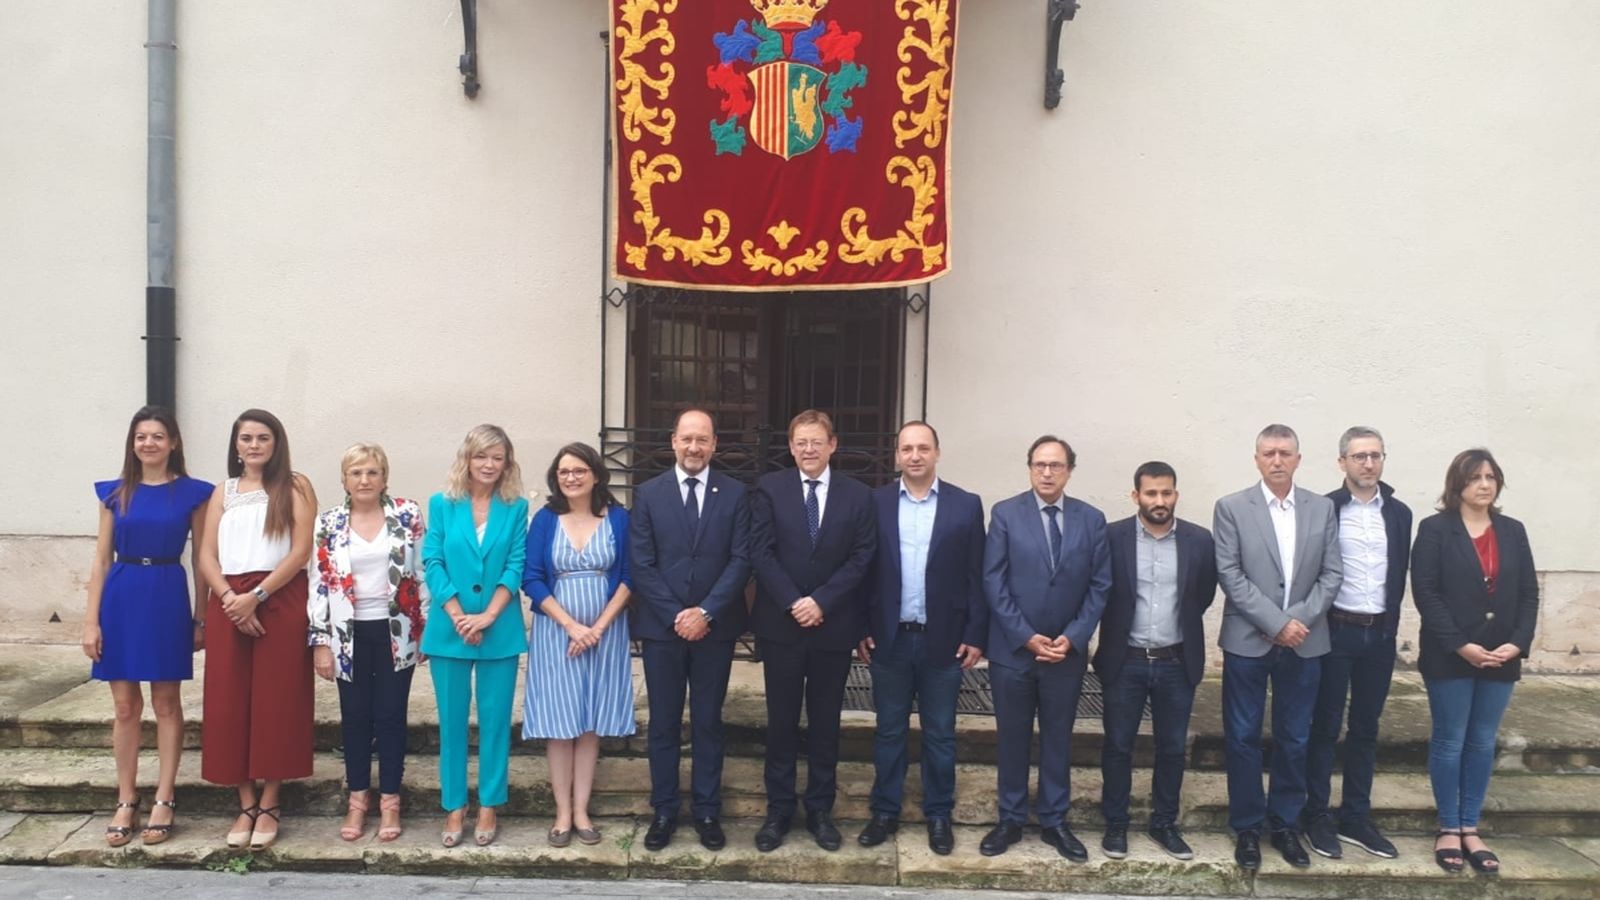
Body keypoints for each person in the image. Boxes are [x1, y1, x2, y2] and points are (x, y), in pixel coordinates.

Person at [1212, 424, 1342, 871]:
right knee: (1244, 737)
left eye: (1285, 453)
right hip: (1249, 640)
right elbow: (1229, 573)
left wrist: (1296, 623)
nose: (1277, 460)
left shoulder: (1322, 508)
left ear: (1299, 459)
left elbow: (1332, 574)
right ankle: (1247, 826)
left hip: (1304, 642)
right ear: (1256, 459)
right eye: (1268, 453)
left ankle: (1285, 823)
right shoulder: (1231, 508)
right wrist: (1274, 622)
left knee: (1295, 737)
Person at [82, 406, 212, 847]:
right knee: (124, 706)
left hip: (165, 592)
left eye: (158, 436)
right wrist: (90, 621)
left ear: (173, 443)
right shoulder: (114, 493)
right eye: (141, 436)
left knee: (167, 702)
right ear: (132, 443)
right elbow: (100, 561)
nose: (149, 444)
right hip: (121, 594)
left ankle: (165, 795)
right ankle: (125, 798)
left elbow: (201, 560)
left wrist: (202, 616)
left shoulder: (193, 493)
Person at [854, 421, 986, 856]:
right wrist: (861, 628)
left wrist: (975, 634)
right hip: (889, 639)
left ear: (937, 453)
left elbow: (976, 575)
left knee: (940, 734)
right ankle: (885, 810)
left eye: (923, 448)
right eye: (906, 448)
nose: (914, 455)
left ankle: (938, 813)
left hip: (943, 640)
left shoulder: (965, 506)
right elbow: (864, 570)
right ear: (896, 456)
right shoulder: (874, 503)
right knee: (889, 730)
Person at [749, 409, 876, 853]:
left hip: (832, 627)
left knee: (826, 724)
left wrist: (821, 601)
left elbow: (862, 558)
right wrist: (794, 602)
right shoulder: (770, 489)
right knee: (781, 723)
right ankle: (779, 810)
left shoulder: (859, 496)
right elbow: (760, 552)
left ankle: (820, 810)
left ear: (832, 445)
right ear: (791, 446)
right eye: (800, 442)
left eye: (816, 442)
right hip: (782, 627)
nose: (808, 450)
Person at [978, 435, 1110, 862]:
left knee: (1058, 739)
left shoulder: (1092, 520)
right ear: (1030, 468)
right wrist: (1025, 635)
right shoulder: (1005, 514)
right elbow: (993, 582)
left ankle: (1054, 821)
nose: (1047, 473)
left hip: (1064, 654)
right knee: (1012, 738)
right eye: (1039, 465)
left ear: (1070, 469)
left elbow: (1099, 586)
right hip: (1014, 652)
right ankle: (1010, 819)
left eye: (1055, 465)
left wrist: (1072, 637)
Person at [1411, 449, 1538, 876]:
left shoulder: (1513, 530)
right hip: (1451, 654)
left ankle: (1470, 827)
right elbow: (1426, 592)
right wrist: (1460, 644)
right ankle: (1448, 828)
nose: (1484, 484)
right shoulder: (1434, 530)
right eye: (1475, 477)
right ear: (1457, 484)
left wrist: (1518, 643)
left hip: (1501, 655)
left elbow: (1528, 594)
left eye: (1491, 476)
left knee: (1483, 741)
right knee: (1450, 740)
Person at [197, 409, 317, 851]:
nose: (253, 445)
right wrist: (230, 599)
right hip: (229, 598)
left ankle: (270, 800)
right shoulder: (222, 492)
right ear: (236, 445)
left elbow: (301, 550)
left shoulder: (296, 485)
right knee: (230, 700)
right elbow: (207, 554)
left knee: (277, 699)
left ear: (276, 442)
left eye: (262, 438)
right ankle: (244, 801)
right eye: (246, 438)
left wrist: (258, 597)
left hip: (279, 596)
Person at [630, 410, 750, 853]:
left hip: (714, 630)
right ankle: (664, 809)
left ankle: (706, 810)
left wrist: (706, 612)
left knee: (708, 722)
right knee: (662, 723)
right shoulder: (648, 494)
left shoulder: (736, 494)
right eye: (687, 439)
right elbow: (640, 562)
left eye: (702, 440)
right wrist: (677, 614)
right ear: (673, 441)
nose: (694, 447)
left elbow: (742, 559)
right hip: (663, 631)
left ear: (715, 444)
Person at [1092, 461, 1217, 861]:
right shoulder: (1112, 537)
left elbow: (1203, 595)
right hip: (1124, 659)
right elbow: (1101, 591)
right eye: (1151, 493)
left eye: (1166, 493)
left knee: (1171, 748)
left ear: (1176, 495)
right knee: (1117, 746)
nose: (1159, 501)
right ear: (1136, 496)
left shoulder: (1199, 540)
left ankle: (1164, 823)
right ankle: (1116, 824)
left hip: (1176, 661)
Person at [1303, 427, 1412, 860]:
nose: (1368, 464)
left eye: (1375, 456)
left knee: (1367, 727)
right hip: (1335, 631)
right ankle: (1316, 816)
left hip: (1379, 634)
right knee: (1325, 726)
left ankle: (1356, 817)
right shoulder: (1325, 509)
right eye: (1359, 456)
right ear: (1342, 462)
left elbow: (1401, 569)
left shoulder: (1400, 513)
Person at [309, 443, 427, 843]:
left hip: (397, 631)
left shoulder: (407, 515)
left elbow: (422, 572)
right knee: (356, 718)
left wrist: (425, 626)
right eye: (356, 473)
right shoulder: (328, 522)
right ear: (344, 480)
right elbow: (320, 584)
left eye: (372, 472)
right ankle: (358, 799)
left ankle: (391, 799)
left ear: (384, 478)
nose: (364, 480)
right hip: (348, 635)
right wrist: (320, 640)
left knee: (392, 717)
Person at [420, 424, 529, 849]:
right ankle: (453, 806)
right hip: (449, 630)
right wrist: (459, 614)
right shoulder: (442, 504)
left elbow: (515, 566)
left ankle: (488, 804)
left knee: (496, 722)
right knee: (451, 723)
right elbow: (431, 560)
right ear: (467, 458)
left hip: (498, 630)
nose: (488, 465)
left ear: (507, 464)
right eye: (481, 456)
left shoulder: (516, 507)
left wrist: (486, 617)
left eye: (497, 458)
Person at [523, 441, 633, 849]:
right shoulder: (545, 520)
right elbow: (532, 578)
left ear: (596, 475)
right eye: (564, 471)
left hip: (606, 633)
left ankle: (583, 809)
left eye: (579, 470)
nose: (571, 477)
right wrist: (572, 626)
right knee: (560, 722)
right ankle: (562, 812)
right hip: (557, 633)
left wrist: (598, 627)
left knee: (590, 723)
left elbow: (628, 575)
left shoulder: (619, 518)